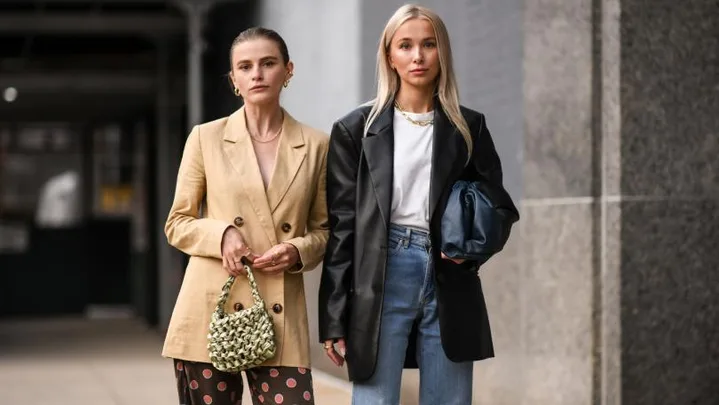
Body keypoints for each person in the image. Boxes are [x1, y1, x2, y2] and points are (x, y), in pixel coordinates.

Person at [319, 4, 511, 405]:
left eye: (428, 44)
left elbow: (499, 206)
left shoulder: (468, 126)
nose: (418, 56)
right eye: (405, 45)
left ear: (443, 52)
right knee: (375, 399)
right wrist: (333, 317)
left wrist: (469, 255)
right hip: (382, 270)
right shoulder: (356, 130)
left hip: (449, 272)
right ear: (389, 55)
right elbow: (343, 227)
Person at [163, 27, 329, 405]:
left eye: (268, 63)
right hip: (210, 310)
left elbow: (324, 230)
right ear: (234, 79)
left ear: (288, 71)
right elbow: (177, 223)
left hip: (280, 309)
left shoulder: (317, 144)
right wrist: (222, 234)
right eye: (245, 66)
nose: (257, 74)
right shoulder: (206, 137)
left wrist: (297, 249)